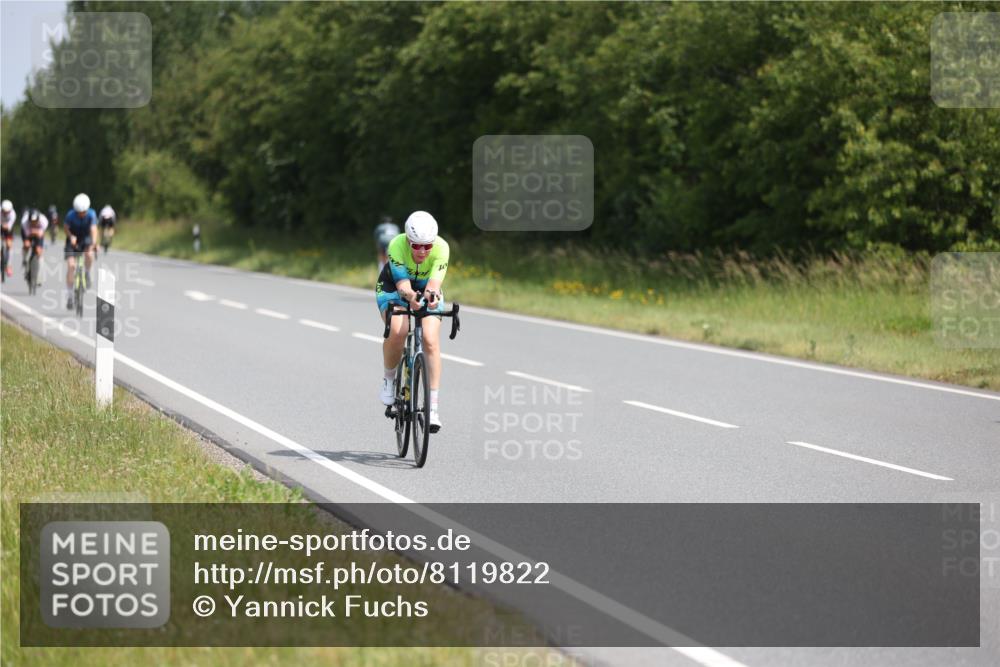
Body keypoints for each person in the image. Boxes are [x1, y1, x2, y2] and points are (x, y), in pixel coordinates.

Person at [375, 210, 450, 431]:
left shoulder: (442, 248)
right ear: (408, 240)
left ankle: (432, 408)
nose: (422, 251)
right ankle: (389, 379)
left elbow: (434, 284)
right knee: (399, 330)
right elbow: (403, 286)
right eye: (416, 245)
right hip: (393, 287)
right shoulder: (396, 245)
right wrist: (410, 298)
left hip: (425, 287)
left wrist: (431, 297)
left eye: (427, 246)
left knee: (430, 339)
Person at [63, 193, 98, 310]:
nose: (81, 214)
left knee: (89, 254)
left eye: (83, 212)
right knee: (71, 266)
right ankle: (70, 296)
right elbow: (66, 228)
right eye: (79, 212)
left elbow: (94, 229)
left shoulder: (92, 214)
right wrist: (70, 236)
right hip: (72, 239)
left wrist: (94, 243)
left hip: (85, 239)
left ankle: (87, 273)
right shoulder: (70, 215)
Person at [19, 208, 49, 285]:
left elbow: (41, 234)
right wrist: (33, 232)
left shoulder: (44, 221)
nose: (33, 223)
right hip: (27, 232)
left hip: (38, 233)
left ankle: (39, 277)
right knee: (27, 245)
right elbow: (27, 234)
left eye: (35, 221)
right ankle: (24, 260)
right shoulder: (24, 221)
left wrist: (36, 232)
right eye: (31, 222)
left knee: (39, 251)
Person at [1, 200, 16, 279]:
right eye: (4, 211)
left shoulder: (13, 214)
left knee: (9, 245)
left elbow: (10, 225)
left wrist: (5, 226)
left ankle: (8, 266)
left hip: (8, 229)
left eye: (8, 212)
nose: (6, 213)